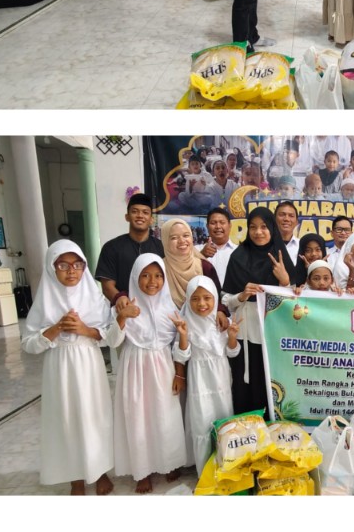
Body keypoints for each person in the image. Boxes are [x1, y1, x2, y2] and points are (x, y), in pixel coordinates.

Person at [21, 240, 114, 495]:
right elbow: (28, 344)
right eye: (63, 265)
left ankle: (100, 470)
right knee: (66, 418)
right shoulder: (44, 301)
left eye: (77, 264)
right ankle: (74, 477)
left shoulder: (94, 298)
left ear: (84, 267)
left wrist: (84, 329)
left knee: (94, 415)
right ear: (52, 268)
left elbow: (109, 333)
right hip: (59, 367)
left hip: (89, 364)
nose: (71, 271)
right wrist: (54, 330)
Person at [106, 255, 188, 493]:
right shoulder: (123, 307)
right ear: (135, 277)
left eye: (158, 275)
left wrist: (179, 374)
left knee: (166, 415)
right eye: (145, 275)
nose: (152, 281)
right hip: (135, 368)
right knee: (138, 417)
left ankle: (168, 463)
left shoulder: (170, 308)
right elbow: (112, 341)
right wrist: (122, 317)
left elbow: (177, 345)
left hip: (164, 366)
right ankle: (141, 471)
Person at [221, 207, 297, 413]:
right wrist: (242, 295)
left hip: (274, 337)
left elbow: (297, 303)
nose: (258, 232)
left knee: (273, 387)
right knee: (246, 388)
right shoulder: (238, 257)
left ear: (272, 228)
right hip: (245, 335)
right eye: (253, 227)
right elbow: (226, 300)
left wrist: (285, 280)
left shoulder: (281, 257)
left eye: (264, 227)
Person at [174, 275, 240, 472]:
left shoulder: (223, 322)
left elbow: (232, 352)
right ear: (187, 300)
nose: (201, 304)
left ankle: (226, 468)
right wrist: (184, 335)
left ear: (215, 299)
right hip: (199, 381)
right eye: (195, 299)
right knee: (201, 421)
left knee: (224, 419)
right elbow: (182, 355)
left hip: (221, 381)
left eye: (207, 298)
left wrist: (232, 337)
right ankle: (204, 472)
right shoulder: (184, 322)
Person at [94, 192, 164, 310]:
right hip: (122, 310)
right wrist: (119, 299)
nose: (140, 216)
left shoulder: (161, 247)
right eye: (135, 211)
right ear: (127, 216)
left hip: (156, 310)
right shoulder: (111, 247)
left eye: (145, 212)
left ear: (151, 219)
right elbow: (107, 285)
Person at [159, 218, 225, 313]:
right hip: (167, 322)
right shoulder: (159, 268)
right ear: (165, 241)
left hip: (201, 323)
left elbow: (217, 297)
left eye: (186, 235)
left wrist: (220, 311)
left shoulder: (205, 267)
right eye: (174, 237)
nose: (182, 241)